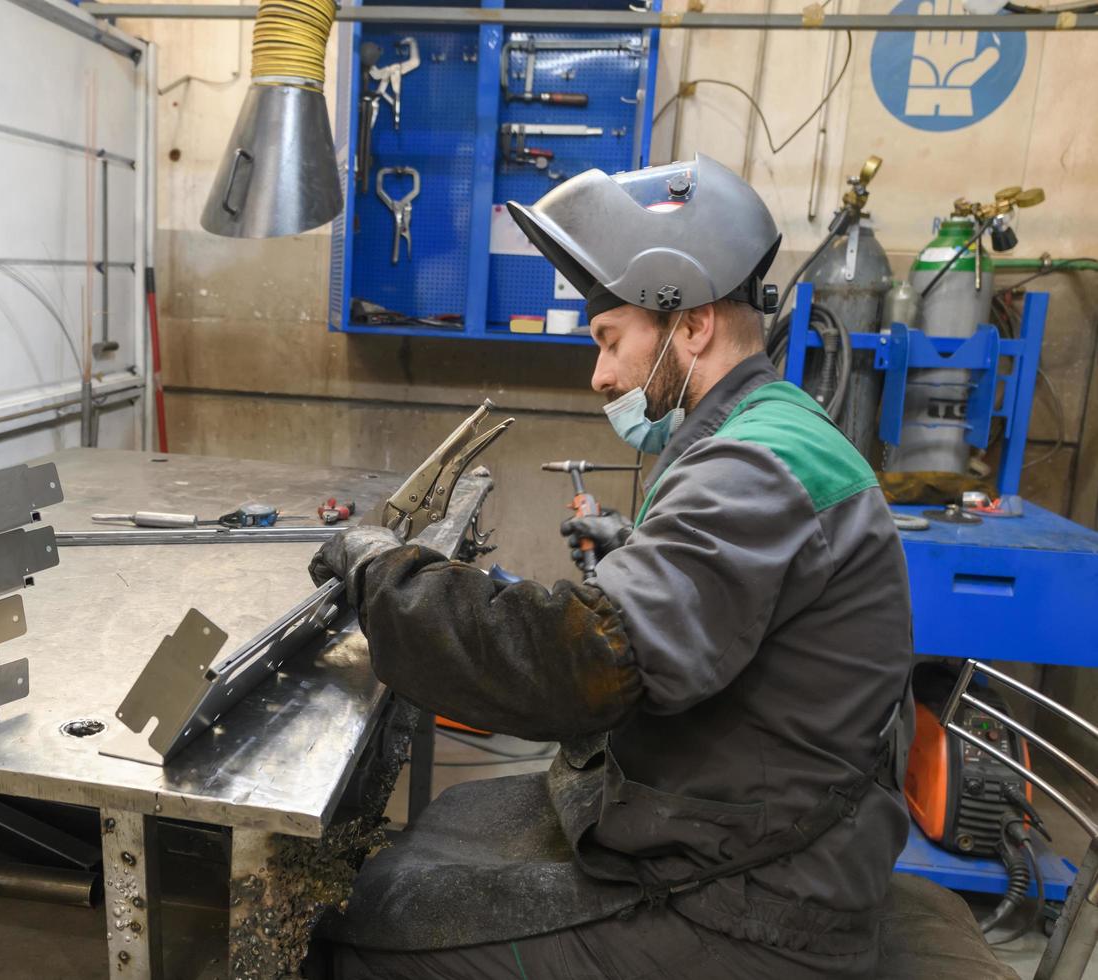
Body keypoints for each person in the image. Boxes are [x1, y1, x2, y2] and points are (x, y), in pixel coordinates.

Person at [310, 155, 914, 980]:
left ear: (691, 323)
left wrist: (383, 575)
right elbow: (732, 601)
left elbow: (584, 666)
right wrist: (634, 552)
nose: (599, 376)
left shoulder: (756, 464)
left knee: (362, 934)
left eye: (609, 340)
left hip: (758, 904)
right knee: (453, 817)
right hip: (748, 820)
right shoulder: (768, 428)